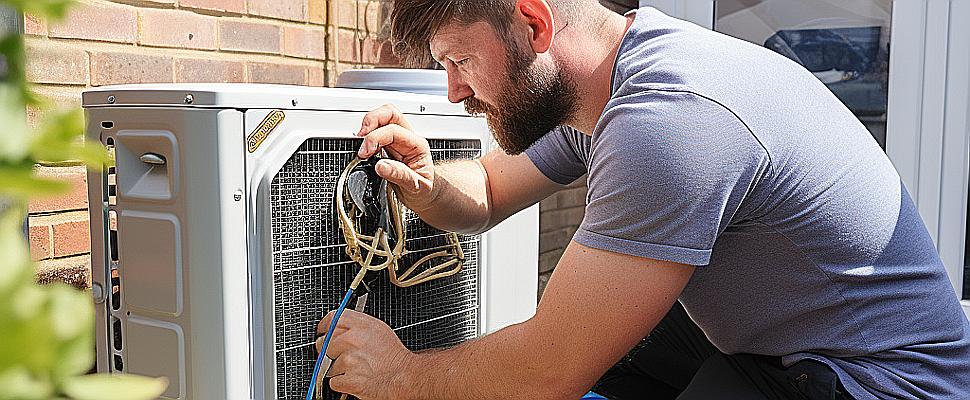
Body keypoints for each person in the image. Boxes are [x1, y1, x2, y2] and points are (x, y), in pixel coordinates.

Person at [315, 1, 970, 399]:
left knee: (576, 344)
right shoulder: (613, 80)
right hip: (801, 350)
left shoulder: (667, 120)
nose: (454, 92)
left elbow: (547, 375)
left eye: (459, 60)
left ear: (534, 23)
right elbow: (486, 190)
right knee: (620, 333)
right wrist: (430, 184)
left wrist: (402, 378)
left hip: (877, 387)